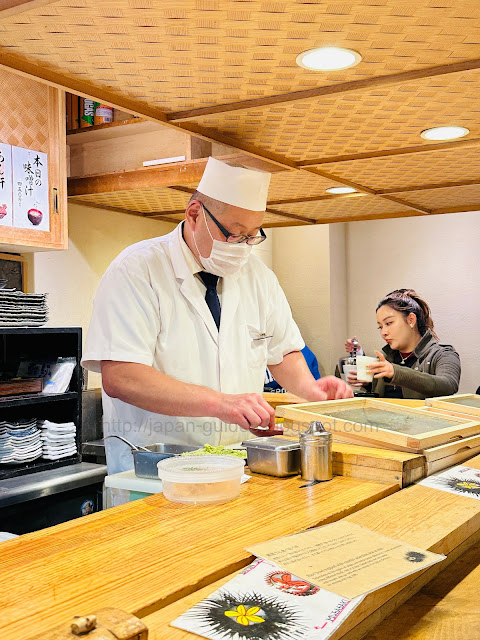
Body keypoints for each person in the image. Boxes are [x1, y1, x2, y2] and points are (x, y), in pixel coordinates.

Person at [82, 157, 352, 472]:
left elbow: (281, 351)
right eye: (234, 234)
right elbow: (122, 377)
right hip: (154, 469)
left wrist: (310, 388)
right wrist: (220, 403)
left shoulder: (258, 277)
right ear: (194, 214)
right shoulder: (137, 269)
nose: (243, 247)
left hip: (238, 466)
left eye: (253, 236)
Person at [345, 289, 460, 399]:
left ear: (411, 320)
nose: (383, 332)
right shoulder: (385, 358)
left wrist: (396, 372)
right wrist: (368, 384)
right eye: (380, 327)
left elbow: (448, 385)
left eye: (389, 323)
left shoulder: (442, 354)